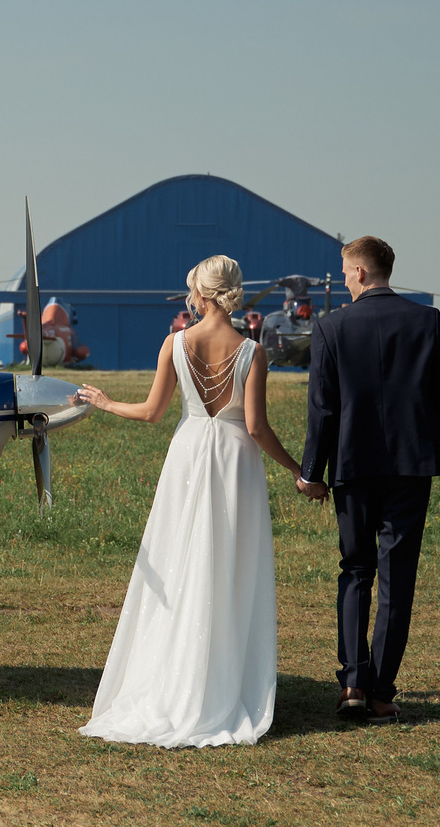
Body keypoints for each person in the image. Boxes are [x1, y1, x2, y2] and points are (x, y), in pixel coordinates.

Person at [70, 256, 310, 747]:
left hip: (186, 456)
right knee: (229, 568)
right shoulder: (252, 351)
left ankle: (171, 677)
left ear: (200, 295)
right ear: (233, 293)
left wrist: (108, 402)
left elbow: (153, 412)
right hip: (236, 461)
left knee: (180, 562)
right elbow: (258, 428)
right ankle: (220, 681)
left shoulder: (175, 343)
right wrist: (298, 472)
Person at [298, 235, 440, 724]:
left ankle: (351, 682)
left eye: (347, 272)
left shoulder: (331, 328)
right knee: (397, 578)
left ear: (362, 273)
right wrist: (412, 418)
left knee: (355, 570)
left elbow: (322, 410)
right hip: (413, 464)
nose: (345, 279)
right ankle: (382, 692)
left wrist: (311, 473)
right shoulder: (427, 321)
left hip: (352, 465)